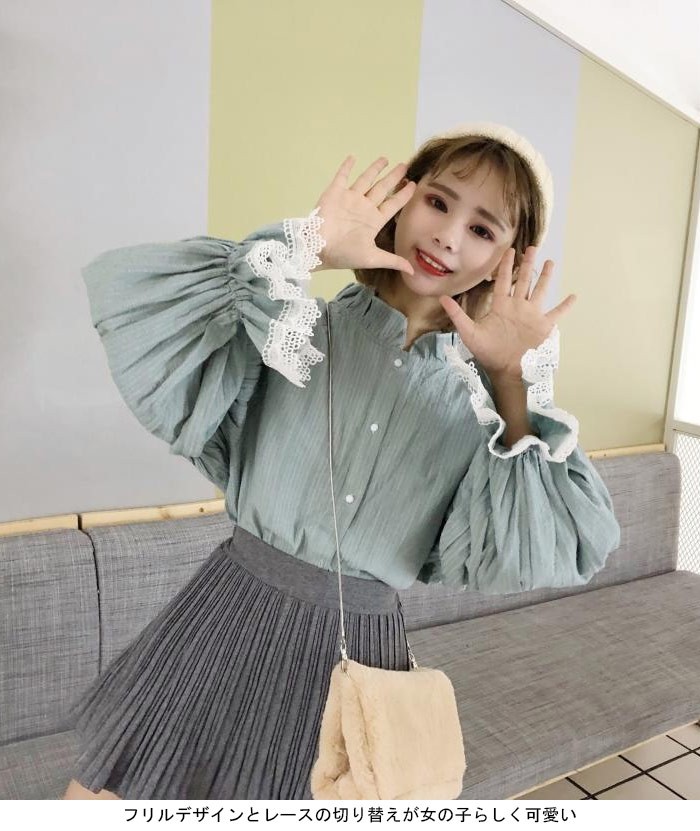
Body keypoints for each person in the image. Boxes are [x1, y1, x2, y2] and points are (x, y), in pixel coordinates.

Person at [62, 122, 621, 800]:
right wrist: (310, 245)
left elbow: (554, 542)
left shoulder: (484, 405)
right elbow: (144, 302)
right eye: (438, 202)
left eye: (482, 229)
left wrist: (510, 381)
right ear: (403, 200)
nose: (448, 236)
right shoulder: (294, 328)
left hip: (362, 656)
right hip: (227, 618)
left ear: (510, 258)